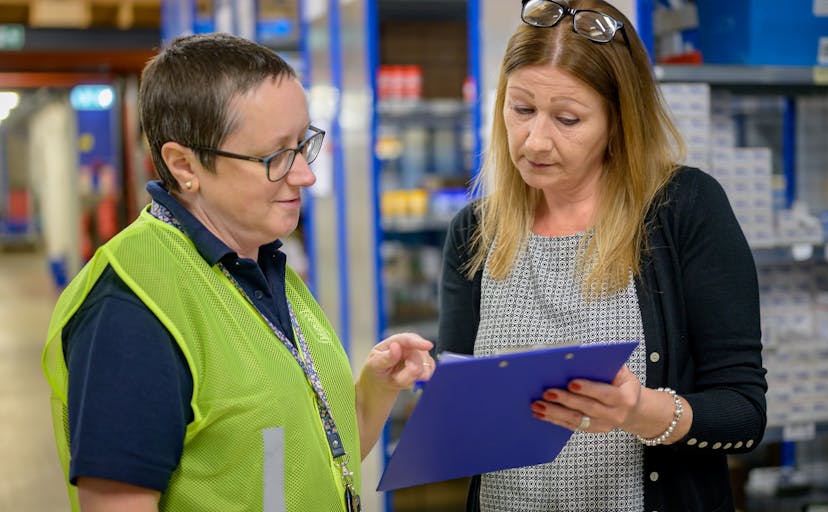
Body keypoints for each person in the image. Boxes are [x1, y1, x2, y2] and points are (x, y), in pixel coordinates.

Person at [41, 33, 434, 512]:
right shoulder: (130, 311)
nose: (305, 175)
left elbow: (315, 456)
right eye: (274, 157)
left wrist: (377, 388)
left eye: (302, 143)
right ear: (184, 164)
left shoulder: (259, 261)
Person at [437, 1, 767, 511]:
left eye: (567, 119)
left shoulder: (682, 210)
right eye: (521, 109)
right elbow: (462, 418)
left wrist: (642, 410)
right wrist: (421, 383)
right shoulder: (475, 232)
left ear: (619, 120)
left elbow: (744, 414)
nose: (536, 140)